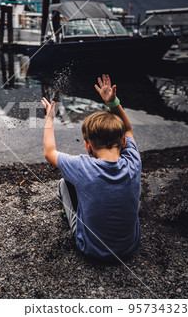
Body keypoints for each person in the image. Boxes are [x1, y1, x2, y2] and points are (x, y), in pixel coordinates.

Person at [41, 74, 141, 262]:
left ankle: (70, 215)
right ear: (124, 142)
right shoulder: (133, 161)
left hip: (91, 249)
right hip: (130, 246)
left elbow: (49, 152)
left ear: (88, 146)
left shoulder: (81, 166)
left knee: (64, 184)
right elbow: (128, 129)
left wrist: (49, 118)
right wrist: (113, 103)